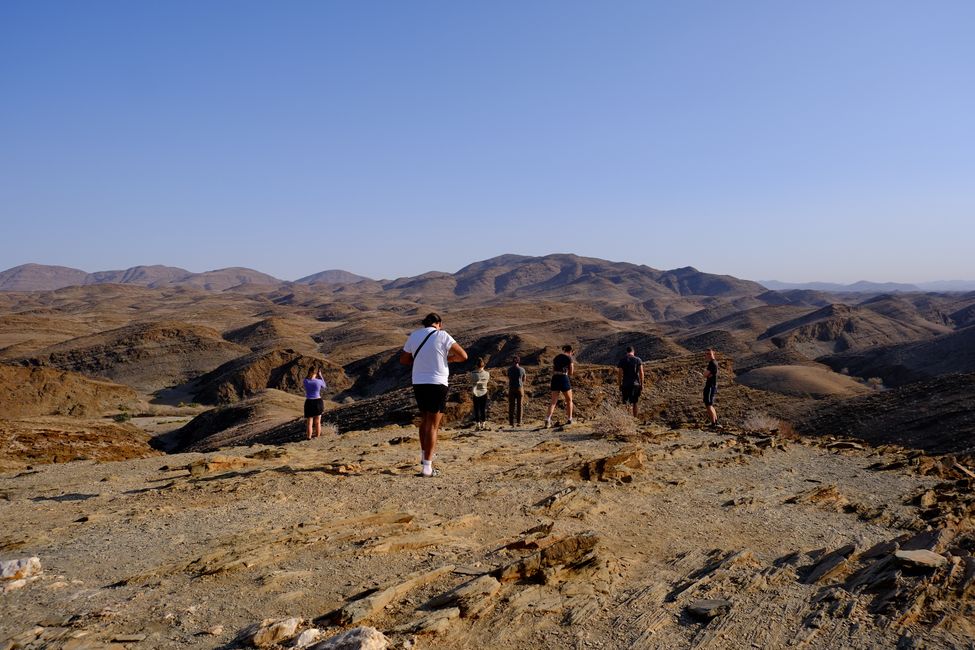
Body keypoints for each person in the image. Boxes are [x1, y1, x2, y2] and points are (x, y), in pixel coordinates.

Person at [400, 312, 468, 477]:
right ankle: (427, 468)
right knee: (433, 425)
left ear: (425, 324)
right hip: (437, 382)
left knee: (424, 421)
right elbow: (463, 356)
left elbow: (404, 360)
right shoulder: (442, 335)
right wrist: (448, 359)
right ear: (439, 323)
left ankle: (425, 459)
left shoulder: (415, 335)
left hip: (419, 382)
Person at [545, 345, 574, 427]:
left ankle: (547, 419)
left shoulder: (556, 357)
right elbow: (571, 372)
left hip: (555, 378)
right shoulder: (569, 358)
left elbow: (553, 368)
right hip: (563, 377)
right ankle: (570, 419)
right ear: (571, 351)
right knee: (569, 400)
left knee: (553, 401)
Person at [617, 346, 645, 417]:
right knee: (635, 402)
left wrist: (619, 384)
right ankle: (635, 418)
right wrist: (642, 384)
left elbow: (619, 374)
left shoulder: (622, 360)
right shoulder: (638, 360)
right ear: (633, 352)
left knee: (627, 402)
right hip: (635, 384)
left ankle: (628, 418)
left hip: (625, 384)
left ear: (627, 352)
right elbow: (641, 373)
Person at [303, 368, 327, 439]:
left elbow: (307, 378)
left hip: (309, 402)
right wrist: (320, 375)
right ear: (316, 373)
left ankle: (309, 437)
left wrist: (311, 374)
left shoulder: (306, 381)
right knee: (317, 422)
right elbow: (324, 386)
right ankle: (317, 436)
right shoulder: (319, 381)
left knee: (309, 422)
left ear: (309, 372)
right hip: (318, 402)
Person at [470, 356, 491, 430]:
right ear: (483, 365)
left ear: (476, 365)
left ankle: (478, 424)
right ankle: (483, 424)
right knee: (483, 409)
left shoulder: (472, 374)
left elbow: (471, 381)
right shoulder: (487, 374)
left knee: (476, 409)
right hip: (484, 392)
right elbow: (487, 381)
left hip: (475, 392)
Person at [507, 355, 527, 428]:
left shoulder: (509, 369)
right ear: (519, 361)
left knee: (511, 405)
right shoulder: (522, 369)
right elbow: (524, 379)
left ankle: (511, 422)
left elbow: (509, 377)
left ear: (513, 361)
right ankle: (519, 422)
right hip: (519, 388)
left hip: (512, 388)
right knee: (519, 405)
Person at [703, 348, 719, 427]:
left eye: (709, 354)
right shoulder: (714, 363)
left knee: (708, 404)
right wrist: (708, 374)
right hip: (712, 385)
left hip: (710, 386)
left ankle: (713, 423)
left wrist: (707, 374)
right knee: (710, 404)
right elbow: (707, 374)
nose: (708, 356)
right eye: (707, 354)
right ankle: (715, 422)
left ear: (713, 354)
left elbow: (705, 374)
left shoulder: (712, 363)